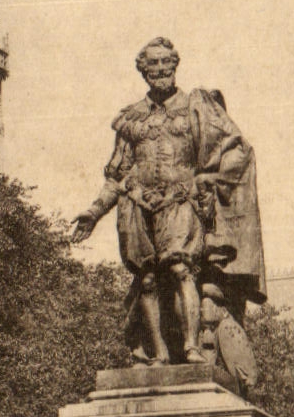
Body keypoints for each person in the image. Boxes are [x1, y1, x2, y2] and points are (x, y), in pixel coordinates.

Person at [72, 38, 266, 369]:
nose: (160, 69)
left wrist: (208, 178)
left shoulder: (197, 107)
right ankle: (157, 353)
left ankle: (190, 347)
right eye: (153, 64)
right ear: (143, 70)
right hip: (137, 204)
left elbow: (238, 149)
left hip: (181, 199)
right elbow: (116, 174)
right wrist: (94, 211)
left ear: (175, 65)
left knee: (181, 270)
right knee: (146, 279)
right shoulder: (131, 118)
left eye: (166, 63)